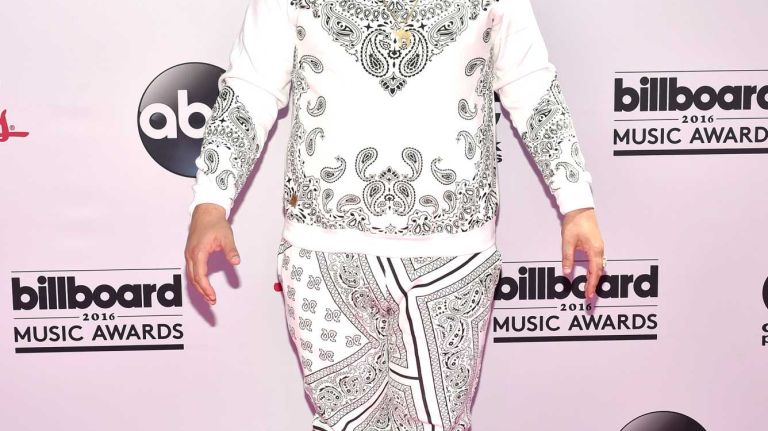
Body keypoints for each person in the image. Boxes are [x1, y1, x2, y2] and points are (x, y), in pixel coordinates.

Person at [184, 0, 606, 428]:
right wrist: (211, 200)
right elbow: (252, 86)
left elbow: (529, 81)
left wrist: (576, 201)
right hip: (323, 252)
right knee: (344, 423)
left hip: (453, 255)